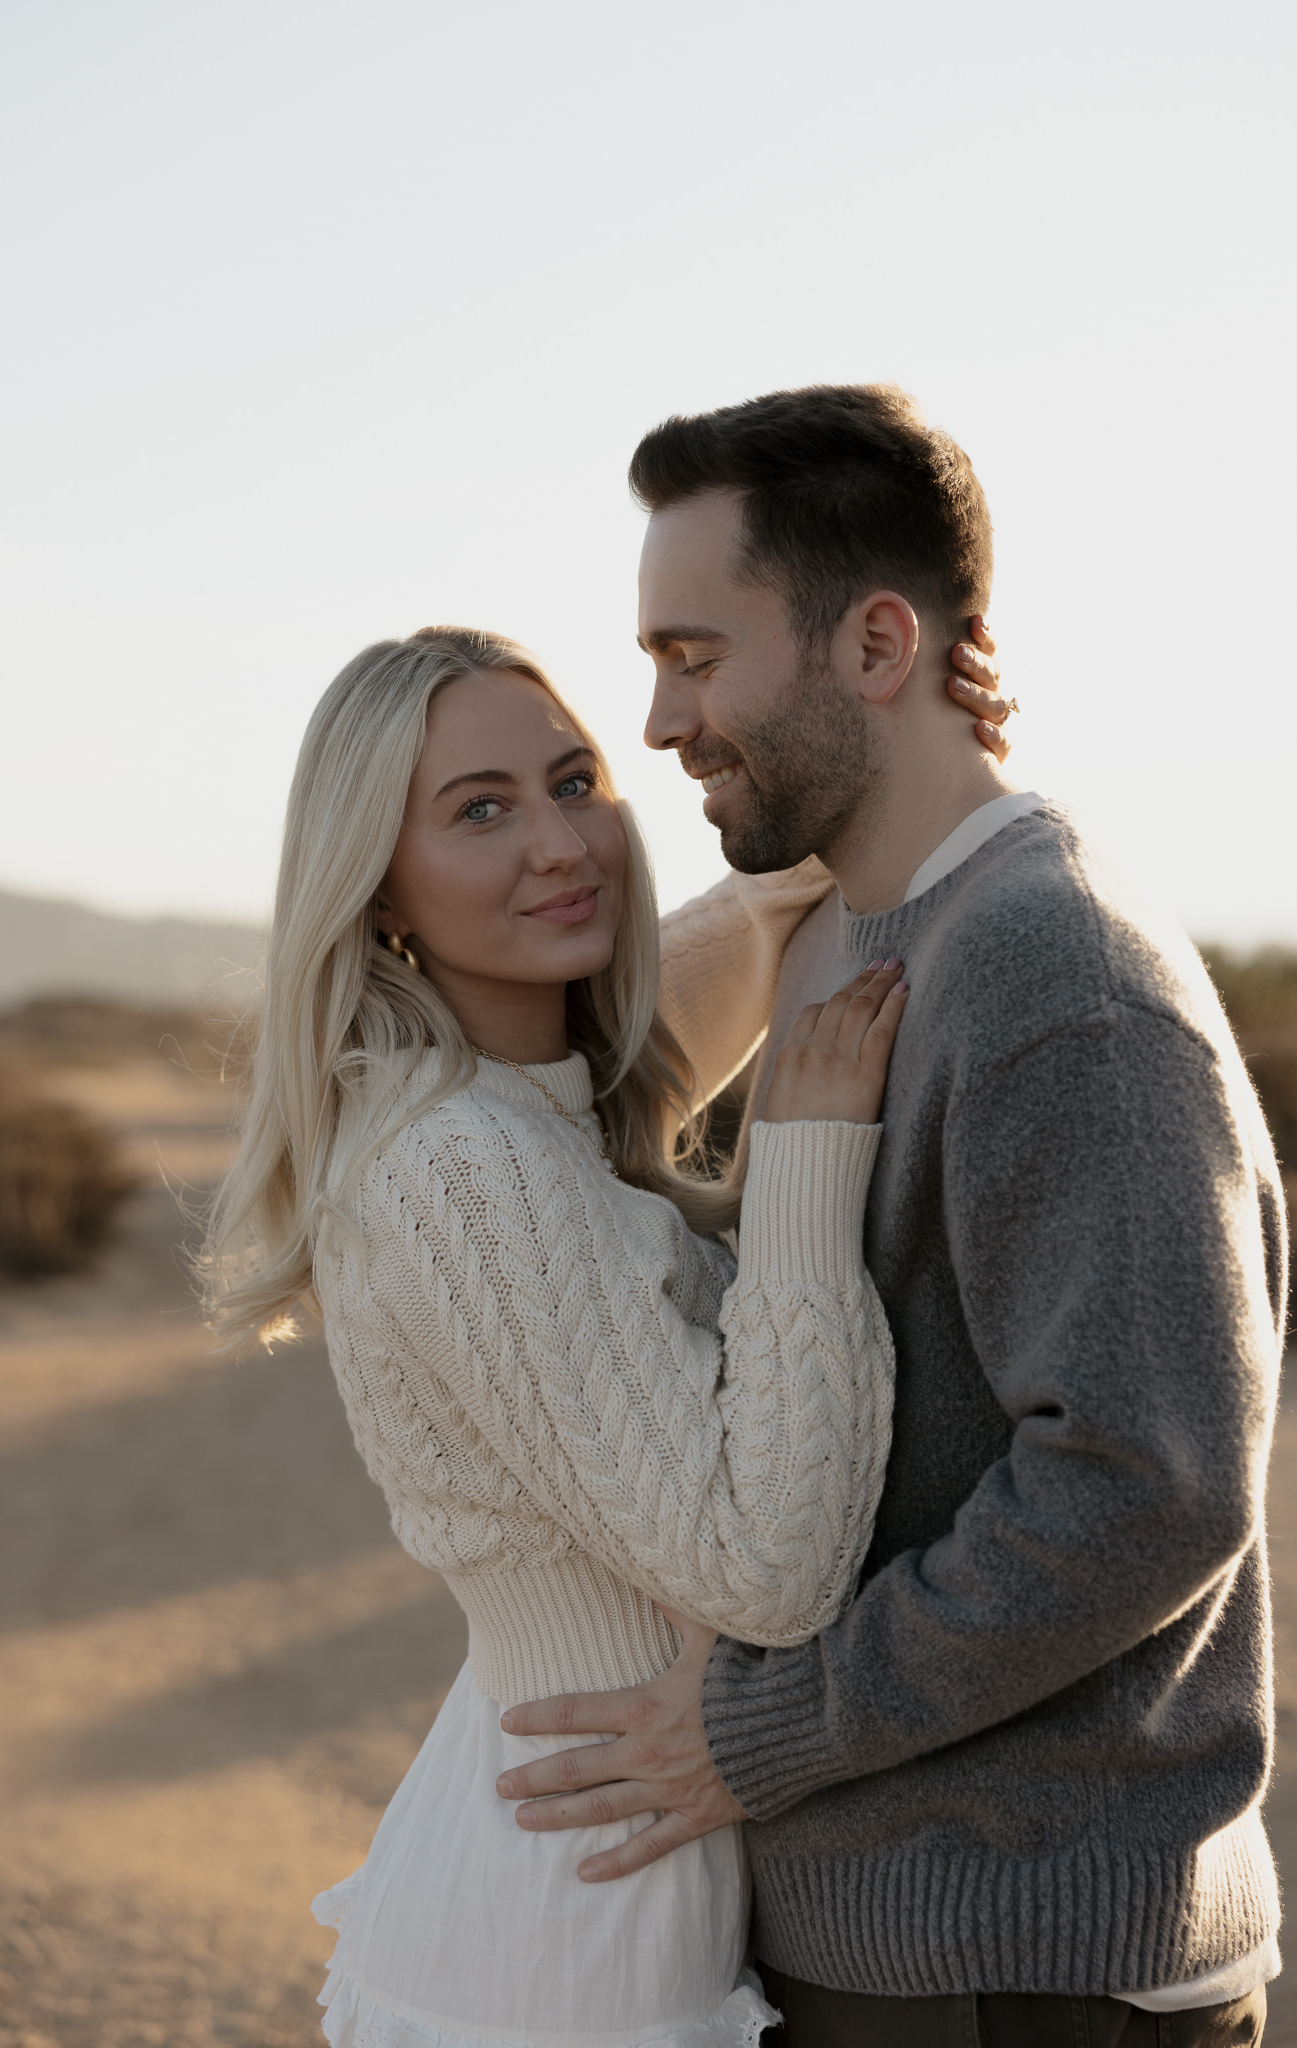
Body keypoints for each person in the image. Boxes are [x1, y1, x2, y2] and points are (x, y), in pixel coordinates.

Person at [494, 386, 1287, 2047]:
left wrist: (758, 1731)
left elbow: (1146, 1483)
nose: (656, 721)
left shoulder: (1055, 977)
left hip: (1026, 1953)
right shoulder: (860, 942)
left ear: (874, 643)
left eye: (695, 657)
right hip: (901, 1931)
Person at [198, 621, 1010, 2047]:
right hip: (568, 1922)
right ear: (379, 887)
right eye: (480, 811)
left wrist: (901, 748)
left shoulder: (514, 1105)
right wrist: (810, 1161)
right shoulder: (463, 1167)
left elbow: (684, 995)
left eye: (574, 781)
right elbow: (764, 1571)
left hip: (581, 1850)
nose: (561, 842)